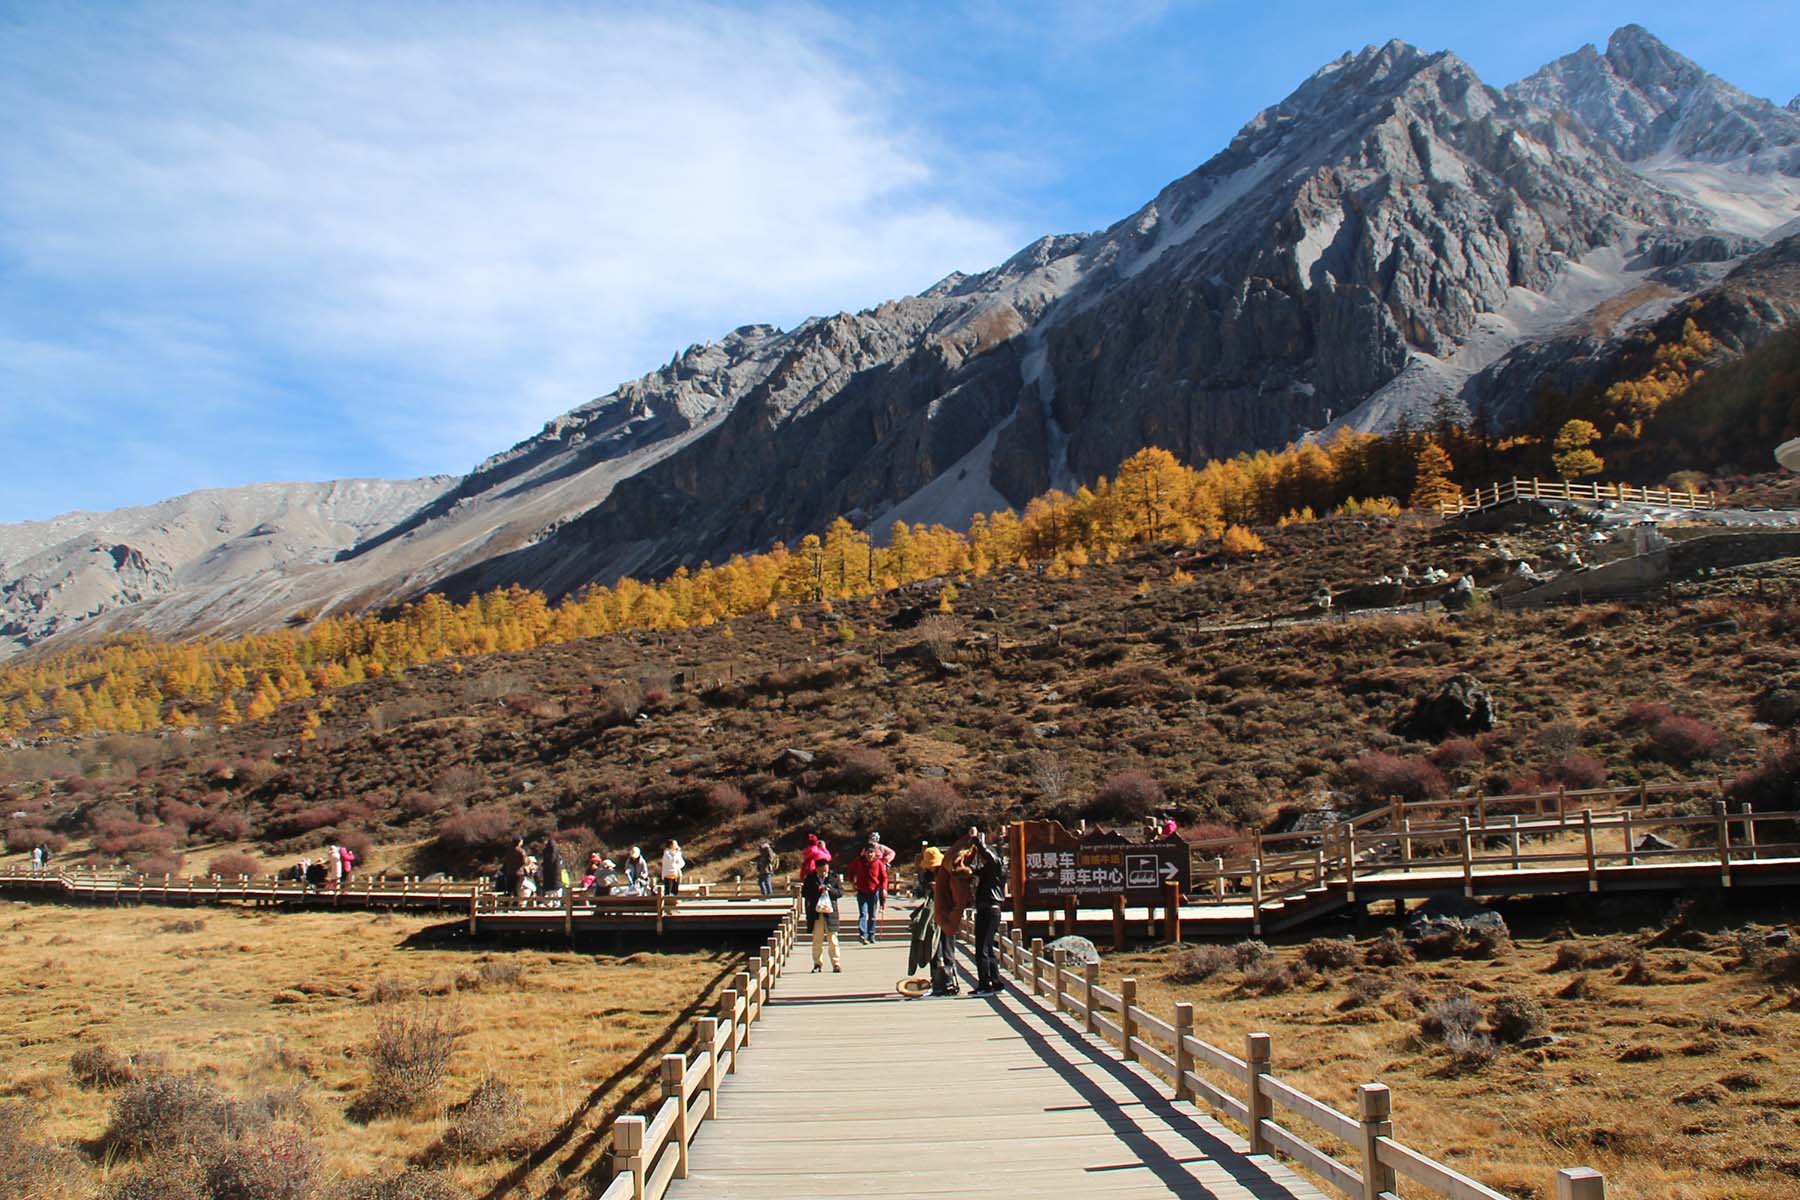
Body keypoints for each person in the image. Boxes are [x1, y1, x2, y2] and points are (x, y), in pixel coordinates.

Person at [909, 845, 956, 996]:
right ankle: (937, 982)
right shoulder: (929, 876)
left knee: (947, 949)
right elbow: (921, 890)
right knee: (933, 948)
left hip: (947, 916)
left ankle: (949, 982)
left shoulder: (948, 874)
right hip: (934, 918)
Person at [969, 824, 1007, 995]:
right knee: (988, 947)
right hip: (992, 909)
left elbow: (988, 857)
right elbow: (973, 870)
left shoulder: (994, 865)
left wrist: (977, 840)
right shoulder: (991, 871)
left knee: (981, 949)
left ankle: (985, 984)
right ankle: (996, 981)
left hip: (988, 908)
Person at [802, 858, 843, 973]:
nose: (824, 873)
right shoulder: (810, 878)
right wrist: (817, 890)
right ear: (816, 869)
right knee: (817, 940)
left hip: (831, 912)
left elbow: (840, 892)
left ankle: (836, 963)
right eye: (821, 871)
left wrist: (829, 889)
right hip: (816, 912)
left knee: (833, 939)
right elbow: (805, 892)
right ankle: (817, 963)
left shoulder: (834, 877)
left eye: (825, 871)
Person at [845, 838, 889, 944]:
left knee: (872, 914)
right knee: (863, 913)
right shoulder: (859, 861)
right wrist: (852, 881)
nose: (870, 855)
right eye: (868, 852)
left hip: (874, 892)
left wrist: (884, 888)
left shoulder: (878, 863)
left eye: (872, 853)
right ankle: (862, 934)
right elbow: (851, 870)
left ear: (874, 854)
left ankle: (871, 934)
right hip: (862, 891)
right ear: (864, 853)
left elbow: (884, 877)